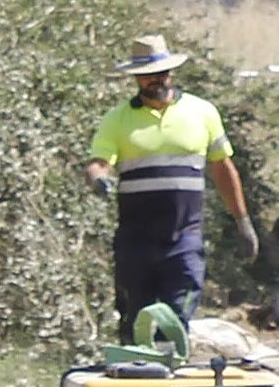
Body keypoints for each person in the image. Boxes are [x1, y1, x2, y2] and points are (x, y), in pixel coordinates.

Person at [85, 34, 260, 344]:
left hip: (184, 239)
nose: (157, 80)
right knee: (135, 320)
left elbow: (222, 167)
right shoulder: (117, 120)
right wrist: (99, 177)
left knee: (176, 318)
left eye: (162, 73)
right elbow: (99, 162)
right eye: (149, 75)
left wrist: (243, 222)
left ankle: (170, 376)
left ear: (171, 73)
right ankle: (137, 380)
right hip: (136, 243)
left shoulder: (202, 112)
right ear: (137, 78)